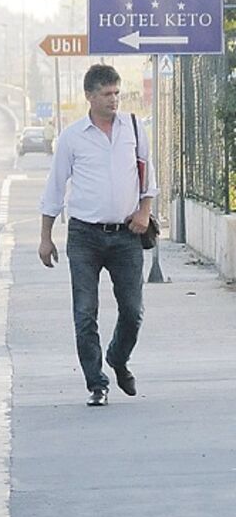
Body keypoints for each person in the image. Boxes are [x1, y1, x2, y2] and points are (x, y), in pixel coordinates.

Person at [38, 64, 157, 407]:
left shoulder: (134, 128)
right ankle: (97, 383)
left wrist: (144, 211)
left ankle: (117, 358)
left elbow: (147, 178)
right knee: (85, 312)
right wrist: (46, 238)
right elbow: (54, 189)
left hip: (126, 235)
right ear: (89, 96)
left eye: (117, 93)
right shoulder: (73, 138)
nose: (114, 100)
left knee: (133, 311)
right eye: (107, 94)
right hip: (84, 236)